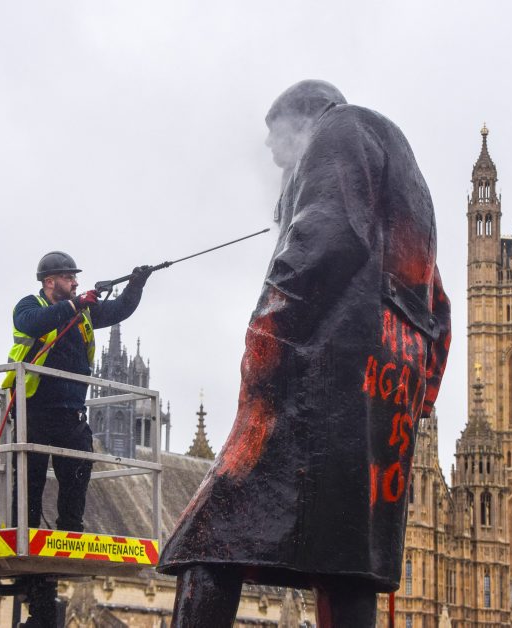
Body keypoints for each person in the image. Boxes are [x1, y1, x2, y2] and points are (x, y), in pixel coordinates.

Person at [156, 80, 451, 627]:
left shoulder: (338, 128)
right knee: (346, 564)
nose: (273, 150)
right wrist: (422, 393)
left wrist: (267, 328)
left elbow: (328, 236)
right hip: (385, 393)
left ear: (302, 116)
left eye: (276, 136)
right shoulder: (408, 178)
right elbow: (436, 301)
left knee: (207, 537)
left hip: (318, 378)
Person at [2, 251, 151, 626]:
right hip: (35, 410)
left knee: (78, 473)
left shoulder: (82, 313)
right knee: (31, 478)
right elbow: (33, 324)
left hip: (70, 413)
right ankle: (26, 534)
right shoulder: (29, 306)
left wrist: (137, 284)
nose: (76, 283)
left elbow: (117, 311)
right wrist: (74, 304)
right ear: (50, 281)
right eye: (69, 278)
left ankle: (69, 534)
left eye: (75, 278)